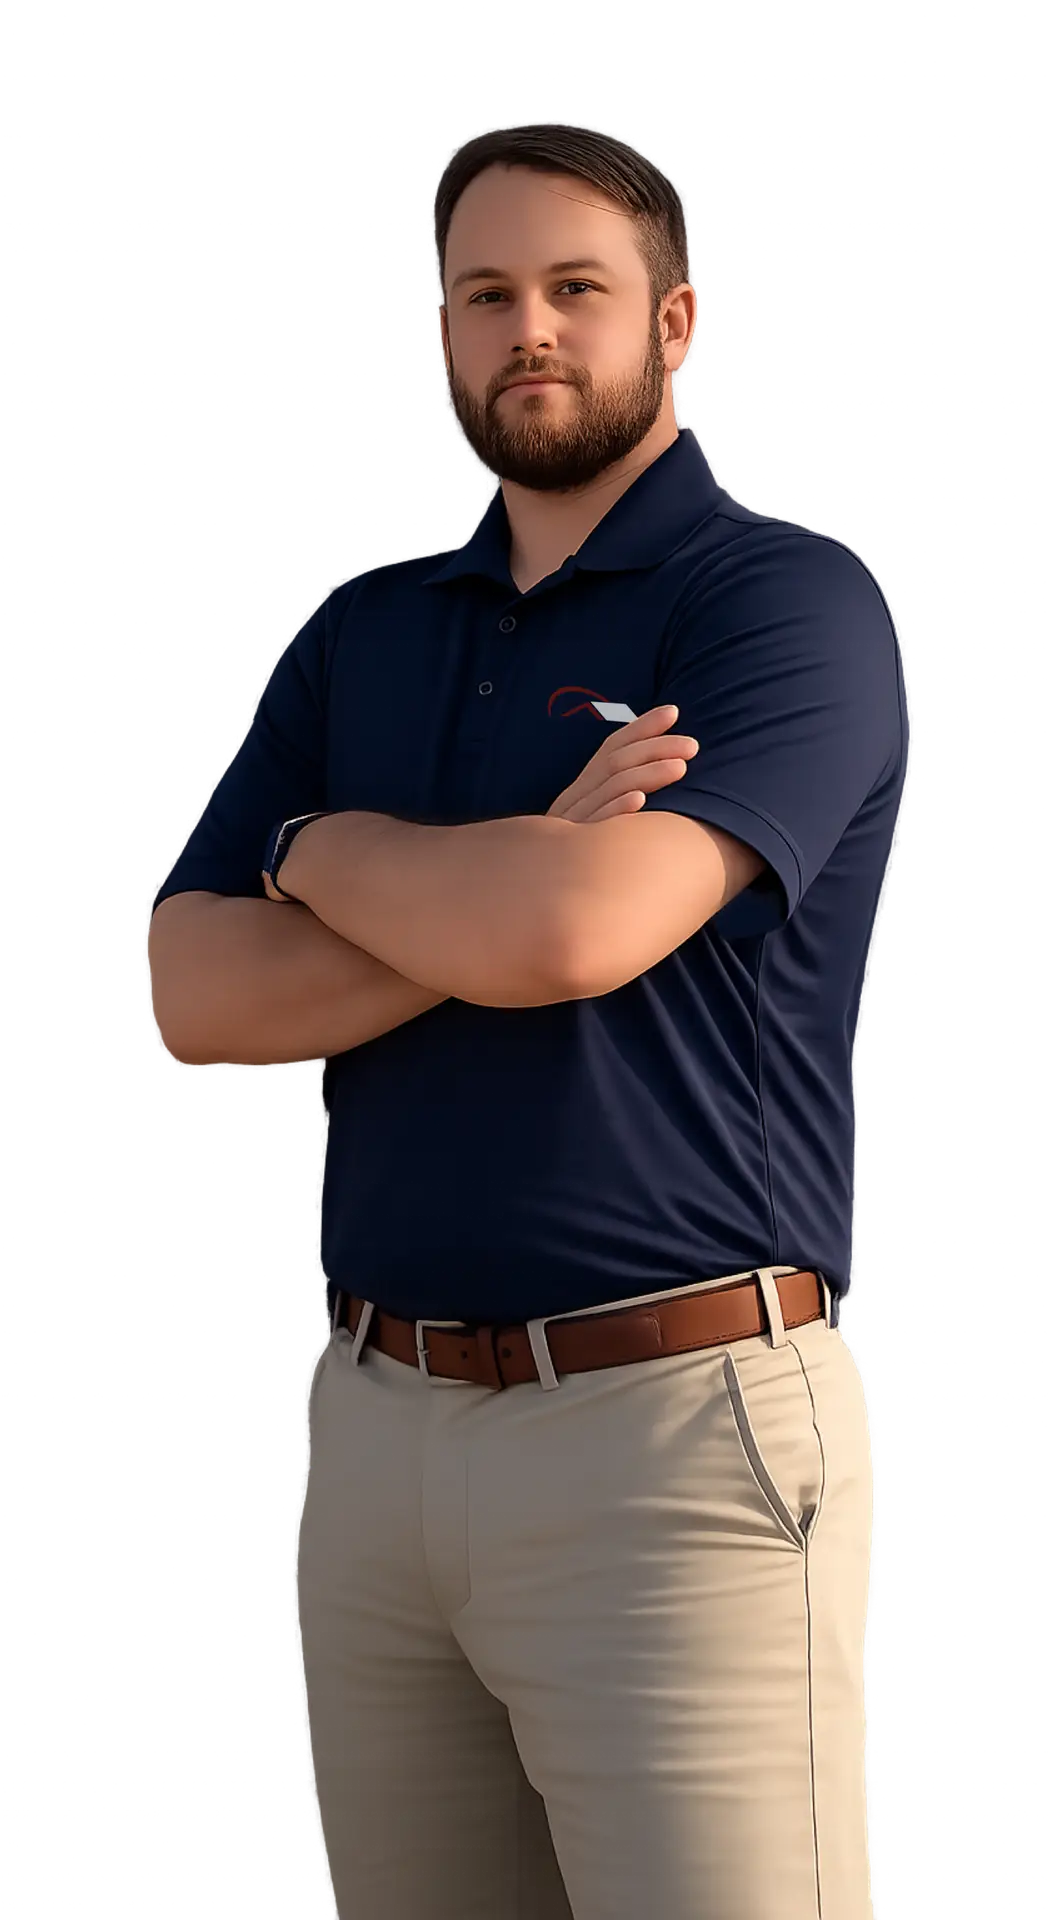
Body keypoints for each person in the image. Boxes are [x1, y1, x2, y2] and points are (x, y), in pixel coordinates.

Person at [147, 119, 908, 1919]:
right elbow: (190, 991)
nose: (532, 330)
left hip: (674, 1443)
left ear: (681, 321)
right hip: (380, 1445)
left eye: (578, 288)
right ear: (440, 334)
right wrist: (453, 872)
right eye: (485, 295)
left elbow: (578, 934)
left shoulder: (781, 604)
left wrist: (321, 860)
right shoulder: (364, 630)